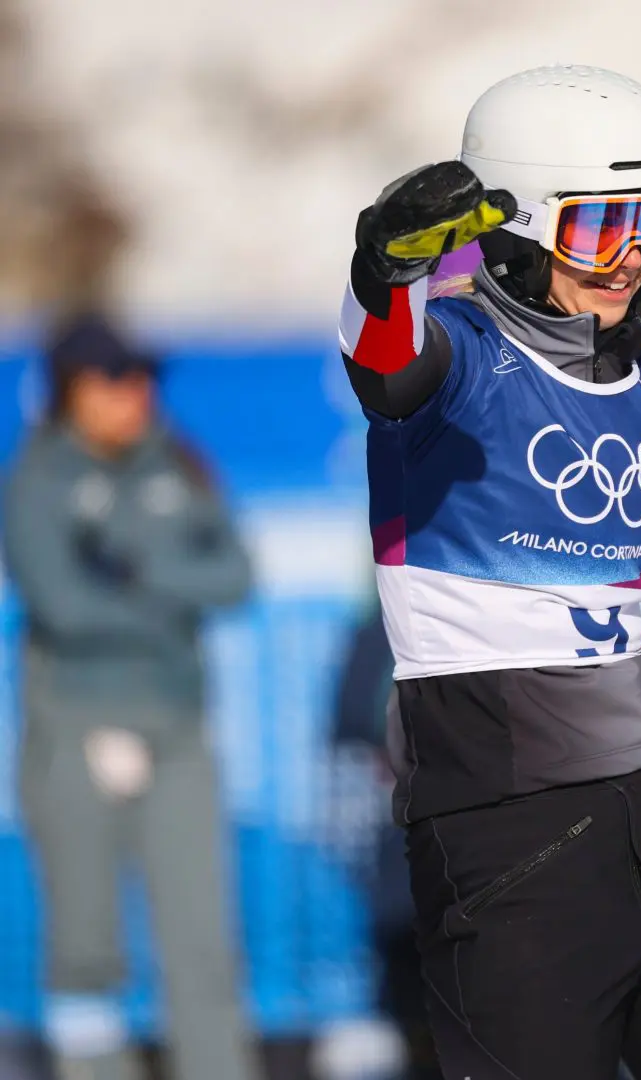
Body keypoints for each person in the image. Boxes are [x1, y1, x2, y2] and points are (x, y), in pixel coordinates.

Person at [337, 65, 641, 1080]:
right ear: (515, 232)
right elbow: (385, 364)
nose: (636, 263)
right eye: (603, 230)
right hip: (507, 840)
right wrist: (381, 267)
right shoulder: (457, 355)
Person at [2, 314, 260, 1080]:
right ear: (70, 390)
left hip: (177, 727)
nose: (133, 394)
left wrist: (138, 573)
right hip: (76, 723)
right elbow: (64, 608)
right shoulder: (39, 477)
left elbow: (235, 577)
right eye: (113, 379)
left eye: (141, 377)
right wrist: (168, 602)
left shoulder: (176, 463)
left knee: (201, 940)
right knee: (87, 944)